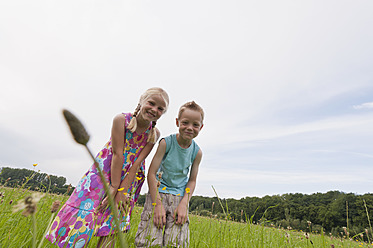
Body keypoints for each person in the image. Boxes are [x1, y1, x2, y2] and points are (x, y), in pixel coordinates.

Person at [46, 87, 169, 248]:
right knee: (86, 215)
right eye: (151, 103)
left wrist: (121, 191)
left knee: (112, 223)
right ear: (141, 101)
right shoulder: (121, 120)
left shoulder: (153, 134)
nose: (154, 110)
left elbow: (137, 164)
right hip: (103, 174)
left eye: (160, 108)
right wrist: (113, 187)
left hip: (129, 180)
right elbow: (118, 154)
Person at [135, 101, 204, 248]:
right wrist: (157, 204)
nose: (190, 128)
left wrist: (185, 202)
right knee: (149, 240)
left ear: (201, 127)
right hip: (158, 194)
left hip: (179, 199)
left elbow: (192, 180)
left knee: (176, 242)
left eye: (195, 125)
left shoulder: (196, 152)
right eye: (185, 123)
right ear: (177, 122)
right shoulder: (166, 143)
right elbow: (151, 173)